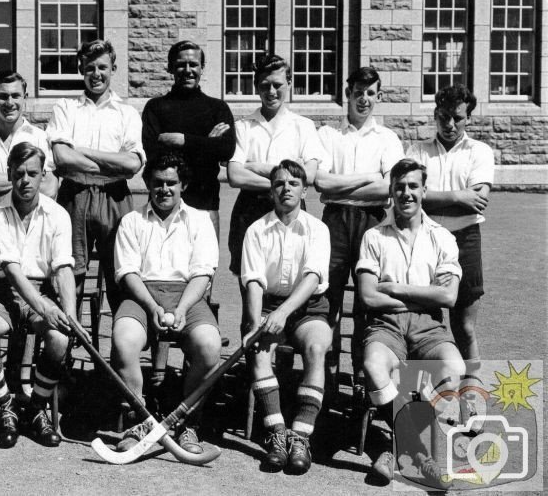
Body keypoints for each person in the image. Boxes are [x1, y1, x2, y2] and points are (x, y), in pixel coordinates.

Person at [357, 159, 465, 487]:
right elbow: (369, 297)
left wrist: (396, 289)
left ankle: (394, 448)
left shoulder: (442, 237)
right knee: (375, 365)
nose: (407, 193)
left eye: (413, 186)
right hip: (386, 323)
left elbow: (448, 298)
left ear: (424, 191)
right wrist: (422, 295)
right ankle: (417, 452)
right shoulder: (374, 236)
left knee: (454, 368)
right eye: (400, 187)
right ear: (391, 192)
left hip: (428, 325)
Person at [0, 142, 78, 449]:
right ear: (9, 173)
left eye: (32, 173)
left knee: (60, 339)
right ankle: (5, 407)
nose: (25, 181)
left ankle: (36, 409)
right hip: (2, 291)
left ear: (44, 175)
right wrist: (43, 306)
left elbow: (63, 269)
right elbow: (12, 269)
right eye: (18, 174)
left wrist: (69, 314)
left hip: (42, 288)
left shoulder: (58, 214)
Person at [112, 151, 221, 455]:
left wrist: (183, 308)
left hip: (188, 294)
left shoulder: (200, 220)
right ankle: (139, 420)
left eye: (171, 183)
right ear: (147, 183)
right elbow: (128, 273)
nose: (164, 189)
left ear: (183, 184)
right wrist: (153, 307)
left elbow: (203, 273)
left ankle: (187, 421)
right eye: (158, 182)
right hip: (142, 294)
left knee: (210, 346)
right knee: (124, 341)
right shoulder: (131, 221)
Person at [405, 84, 493, 416]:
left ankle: (472, 399)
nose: (450, 125)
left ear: (468, 117)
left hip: (465, 240)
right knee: (421, 323)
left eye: (457, 118)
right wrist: (458, 197)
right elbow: (409, 198)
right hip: (424, 241)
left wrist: (430, 195)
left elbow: (478, 200)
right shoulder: (417, 150)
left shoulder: (480, 152)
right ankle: (421, 401)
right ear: (435, 115)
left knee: (464, 326)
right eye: (443, 117)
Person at [240, 160, 332, 475]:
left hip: (308, 306)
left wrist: (282, 313)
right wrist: (255, 323)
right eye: (279, 183)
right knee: (260, 350)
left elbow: (311, 278)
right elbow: (253, 281)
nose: (286, 189)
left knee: (317, 347)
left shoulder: (318, 228)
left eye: (293, 184)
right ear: (271, 191)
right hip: (266, 306)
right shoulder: (256, 229)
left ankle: (301, 436)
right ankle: (277, 434)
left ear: (304, 190)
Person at [316, 66, 405, 380]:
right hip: (335, 220)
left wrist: (348, 183)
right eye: (358, 92)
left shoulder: (388, 138)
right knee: (329, 297)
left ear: (378, 96)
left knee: (368, 301)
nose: (363, 99)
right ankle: (326, 372)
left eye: (370, 93)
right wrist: (369, 176)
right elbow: (321, 182)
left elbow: (388, 187)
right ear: (347, 94)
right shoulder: (328, 134)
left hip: (373, 221)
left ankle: (360, 374)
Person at [225, 55, 327, 321]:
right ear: (256, 86)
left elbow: (310, 175)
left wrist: (257, 166)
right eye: (264, 85)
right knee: (251, 285)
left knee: (291, 276)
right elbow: (235, 175)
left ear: (290, 83)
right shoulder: (244, 127)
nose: (271, 91)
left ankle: (283, 352)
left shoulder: (303, 126)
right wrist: (283, 180)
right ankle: (251, 352)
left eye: (278, 84)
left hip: (292, 212)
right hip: (249, 210)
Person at [46, 39, 145, 312]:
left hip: (115, 197)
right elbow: (62, 158)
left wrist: (85, 152)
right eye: (90, 68)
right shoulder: (65, 107)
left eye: (103, 67)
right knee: (70, 273)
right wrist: (110, 163)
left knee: (120, 273)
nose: (96, 74)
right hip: (74, 195)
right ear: (81, 69)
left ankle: (120, 349)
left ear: (113, 69)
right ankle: (65, 346)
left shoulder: (127, 113)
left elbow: (132, 165)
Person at [0, 70, 58, 309]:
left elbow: (50, 186)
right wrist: (29, 180)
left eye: (16, 96)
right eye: (3, 97)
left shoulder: (39, 137)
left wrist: (1, 179)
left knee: (27, 293)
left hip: (29, 221)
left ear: (25, 97)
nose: (10, 103)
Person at [142, 40, 236, 238]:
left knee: (204, 267)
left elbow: (226, 149)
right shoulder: (155, 107)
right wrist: (207, 144)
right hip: (164, 209)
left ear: (202, 68)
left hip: (206, 206)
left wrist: (181, 140)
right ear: (170, 68)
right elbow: (153, 155)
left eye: (193, 64)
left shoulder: (217, 108)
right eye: (180, 65)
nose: (187, 70)